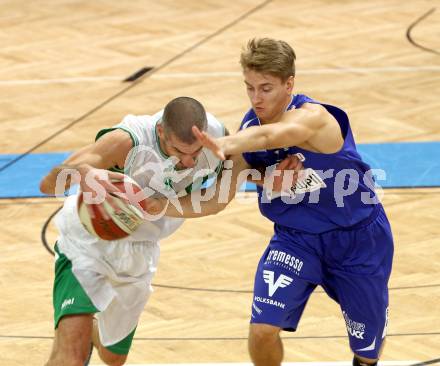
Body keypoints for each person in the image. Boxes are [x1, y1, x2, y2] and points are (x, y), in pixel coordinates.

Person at [146, 39, 394, 366]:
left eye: (266, 88)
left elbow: (272, 136)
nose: (256, 98)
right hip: (296, 240)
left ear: (288, 84)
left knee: (366, 351)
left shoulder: (314, 119)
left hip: (358, 239)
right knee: (262, 330)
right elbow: (214, 199)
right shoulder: (248, 130)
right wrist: (157, 205)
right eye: (249, 88)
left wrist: (224, 143)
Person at [39, 97, 230, 366]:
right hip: (88, 242)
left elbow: (219, 198)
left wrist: (163, 205)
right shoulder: (129, 140)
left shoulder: (218, 138)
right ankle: (78, 331)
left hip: (140, 252)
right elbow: (48, 184)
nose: (188, 162)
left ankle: (91, 331)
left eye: (195, 153)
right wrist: (84, 173)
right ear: (162, 132)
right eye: (178, 151)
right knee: (72, 355)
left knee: (114, 357)